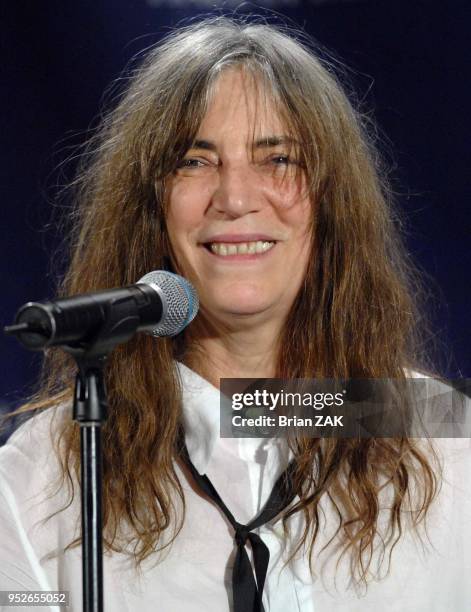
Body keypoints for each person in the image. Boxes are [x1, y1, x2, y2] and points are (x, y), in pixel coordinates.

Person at [0, 15, 470, 612]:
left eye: (277, 159)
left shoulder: (446, 434)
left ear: (331, 203)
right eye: (195, 162)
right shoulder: (43, 475)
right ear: (152, 207)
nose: (236, 198)